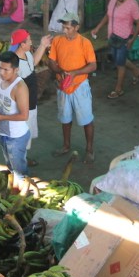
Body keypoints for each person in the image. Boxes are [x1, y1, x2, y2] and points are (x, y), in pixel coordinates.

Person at [48, 12, 97, 166]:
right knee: (65, 118)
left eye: (68, 28)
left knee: (86, 119)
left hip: (80, 87)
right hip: (63, 87)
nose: (65, 31)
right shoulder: (57, 41)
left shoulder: (85, 43)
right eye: (64, 27)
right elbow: (51, 62)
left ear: (77, 27)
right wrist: (59, 71)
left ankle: (89, 149)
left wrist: (75, 73)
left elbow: (93, 65)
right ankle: (66, 145)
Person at [89, 0, 139, 99]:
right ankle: (136, 70)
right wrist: (97, 28)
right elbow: (108, 16)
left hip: (124, 38)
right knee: (119, 60)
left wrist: (132, 39)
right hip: (112, 37)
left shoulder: (132, 5)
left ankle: (118, 89)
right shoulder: (113, 1)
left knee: (120, 64)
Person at [0, 51, 30, 189]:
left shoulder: (20, 87)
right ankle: (14, 184)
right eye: (0, 68)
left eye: (6, 69)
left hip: (16, 137)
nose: (2, 72)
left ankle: (24, 191)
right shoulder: (0, 78)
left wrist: (1, 117)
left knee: (19, 170)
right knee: (10, 163)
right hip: (2, 132)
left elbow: (24, 115)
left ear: (16, 70)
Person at [10, 29, 51, 167]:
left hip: (30, 103)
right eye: (29, 40)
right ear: (22, 44)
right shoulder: (15, 65)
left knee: (26, 133)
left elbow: (32, 62)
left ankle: (22, 158)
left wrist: (43, 45)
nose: (31, 41)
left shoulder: (25, 54)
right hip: (23, 107)